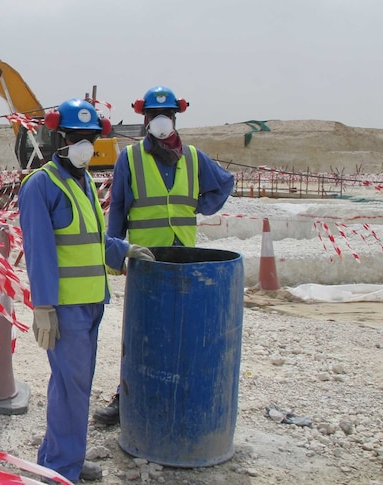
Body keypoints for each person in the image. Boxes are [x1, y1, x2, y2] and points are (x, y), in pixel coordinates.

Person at [18, 98, 154, 482]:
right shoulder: (41, 185)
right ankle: (61, 468)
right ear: (57, 138)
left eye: (90, 138)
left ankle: (62, 460)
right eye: (76, 138)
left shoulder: (82, 183)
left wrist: (124, 250)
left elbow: (93, 239)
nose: (84, 145)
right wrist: (43, 306)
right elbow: (40, 254)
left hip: (93, 302)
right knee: (71, 387)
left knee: (75, 387)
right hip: (65, 308)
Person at [92, 85, 236, 426]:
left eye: (166, 115)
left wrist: (199, 206)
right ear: (145, 119)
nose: (161, 121)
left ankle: (177, 394)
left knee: (183, 329)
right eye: (154, 116)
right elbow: (118, 210)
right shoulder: (130, 158)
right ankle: (126, 396)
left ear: (175, 118)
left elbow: (224, 183)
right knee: (140, 331)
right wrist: (116, 254)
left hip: (184, 256)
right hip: (146, 258)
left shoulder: (194, 157)